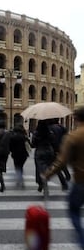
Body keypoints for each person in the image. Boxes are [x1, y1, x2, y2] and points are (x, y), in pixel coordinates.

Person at [43, 107, 84, 249]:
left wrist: (47, 175)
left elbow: (61, 162)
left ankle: (82, 240)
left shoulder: (73, 136)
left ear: (76, 119)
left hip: (81, 182)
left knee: (73, 209)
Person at [32, 120, 56, 193]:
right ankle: (44, 183)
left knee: (39, 169)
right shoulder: (50, 133)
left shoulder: (36, 133)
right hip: (49, 151)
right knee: (46, 169)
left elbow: (33, 144)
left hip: (40, 151)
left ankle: (41, 184)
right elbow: (53, 141)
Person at [48, 118, 70, 190]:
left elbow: (51, 139)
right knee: (61, 162)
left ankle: (64, 183)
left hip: (54, 148)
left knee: (56, 165)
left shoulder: (50, 128)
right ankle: (67, 175)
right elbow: (67, 137)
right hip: (62, 147)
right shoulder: (62, 128)